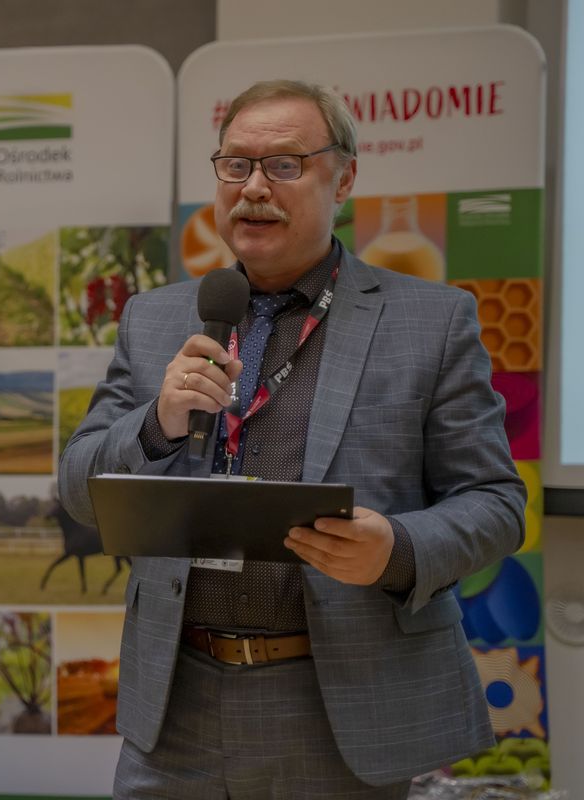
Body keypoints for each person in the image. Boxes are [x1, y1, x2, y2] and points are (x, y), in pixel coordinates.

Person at [58, 80, 525, 799]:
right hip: (177, 707)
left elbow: (495, 502)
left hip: (339, 707)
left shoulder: (432, 321)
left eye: (284, 165)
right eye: (235, 165)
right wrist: (157, 422)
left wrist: (397, 549)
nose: (253, 188)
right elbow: (77, 490)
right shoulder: (155, 319)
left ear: (345, 178)